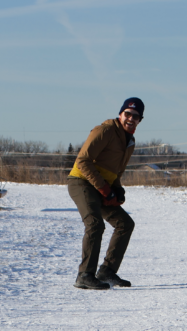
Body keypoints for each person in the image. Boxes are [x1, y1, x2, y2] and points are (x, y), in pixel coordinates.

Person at [67, 97, 144, 289]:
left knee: (125, 224)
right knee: (95, 224)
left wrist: (116, 189)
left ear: (140, 120)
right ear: (120, 114)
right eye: (127, 114)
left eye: (135, 116)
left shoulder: (130, 142)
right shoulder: (105, 130)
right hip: (81, 182)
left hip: (102, 187)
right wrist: (105, 189)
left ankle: (107, 271)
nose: (130, 119)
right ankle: (85, 275)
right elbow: (83, 161)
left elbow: (115, 172)